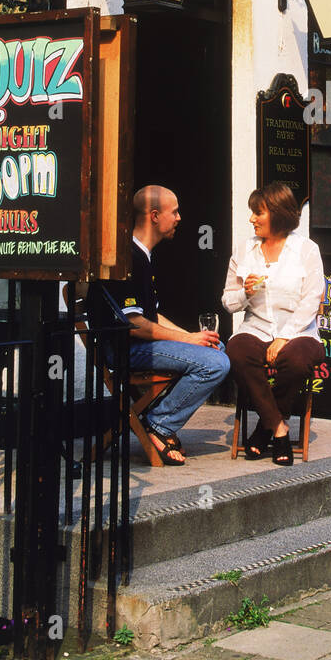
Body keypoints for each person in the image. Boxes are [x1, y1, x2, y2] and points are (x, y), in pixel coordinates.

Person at [92, 185, 230, 465]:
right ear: (154, 216)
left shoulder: (142, 255)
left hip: (140, 344)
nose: (179, 218)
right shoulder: (127, 257)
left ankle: (158, 420)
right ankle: (159, 424)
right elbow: (133, 325)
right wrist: (189, 341)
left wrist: (193, 336)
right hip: (124, 349)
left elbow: (152, 316)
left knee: (217, 347)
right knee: (216, 363)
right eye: (174, 211)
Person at [223, 181, 326, 467]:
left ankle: (263, 429)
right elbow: (228, 302)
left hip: (299, 331)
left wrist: (284, 336)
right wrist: (246, 292)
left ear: (279, 214)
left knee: (296, 360)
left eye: (259, 213)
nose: (251, 219)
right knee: (237, 353)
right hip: (255, 328)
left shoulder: (306, 250)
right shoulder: (244, 250)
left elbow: (311, 299)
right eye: (252, 212)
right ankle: (279, 428)